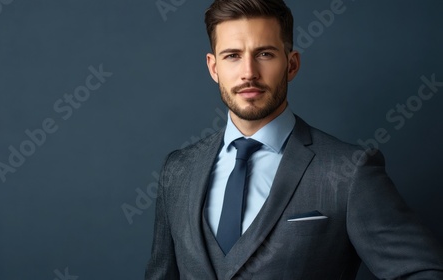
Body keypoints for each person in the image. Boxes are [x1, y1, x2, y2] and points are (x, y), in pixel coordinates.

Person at [145, 0, 443, 279]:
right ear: (214, 67)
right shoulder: (178, 169)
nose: (249, 73)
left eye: (264, 54)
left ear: (292, 64)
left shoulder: (350, 172)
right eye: (233, 56)